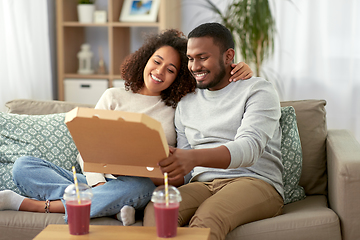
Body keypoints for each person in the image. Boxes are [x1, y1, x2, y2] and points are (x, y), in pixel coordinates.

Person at [0, 29, 253, 226]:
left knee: (138, 188)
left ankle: (36, 206)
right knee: (24, 165)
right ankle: (108, 204)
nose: (159, 71)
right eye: (157, 61)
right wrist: (99, 185)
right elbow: (86, 149)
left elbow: (212, 77)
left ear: (179, 77)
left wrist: (238, 68)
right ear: (145, 59)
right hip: (95, 181)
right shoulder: (113, 96)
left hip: (139, 185)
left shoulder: (179, 107)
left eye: (171, 69)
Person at [143, 23, 284, 240]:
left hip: (255, 181)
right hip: (203, 184)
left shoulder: (258, 90)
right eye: (190, 58)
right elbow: (187, 172)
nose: (194, 66)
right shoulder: (186, 103)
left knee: (208, 218)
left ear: (229, 56)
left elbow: (250, 148)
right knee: (159, 207)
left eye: (202, 57)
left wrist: (192, 158)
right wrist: (160, 168)